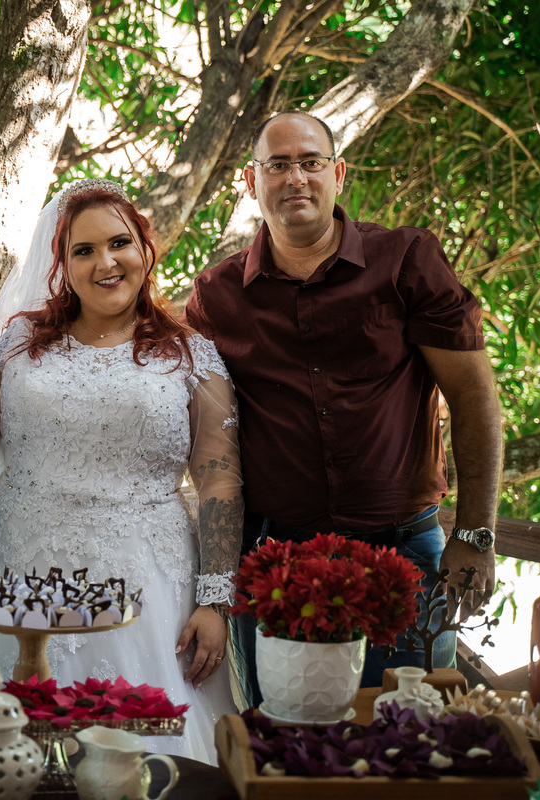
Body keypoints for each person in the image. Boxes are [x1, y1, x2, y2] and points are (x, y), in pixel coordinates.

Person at [185, 110, 503, 707]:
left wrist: (475, 534)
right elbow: (204, 439)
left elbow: (473, 397)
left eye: (311, 162)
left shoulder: (406, 260)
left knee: (407, 737)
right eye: (278, 165)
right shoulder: (217, 296)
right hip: (274, 562)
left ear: (338, 174)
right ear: (251, 182)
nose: (295, 178)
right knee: (284, 741)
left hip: (403, 553)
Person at [0, 179, 244, 764]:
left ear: (144, 250)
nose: (106, 262)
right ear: (61, 264)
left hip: (146, 582)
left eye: (119, 243)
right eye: (84, 250)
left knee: (137, 757)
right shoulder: (22, 343)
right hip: (19, 576)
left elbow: (219, 481)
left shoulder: (190, 355)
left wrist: (214, 600)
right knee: (6, 754)